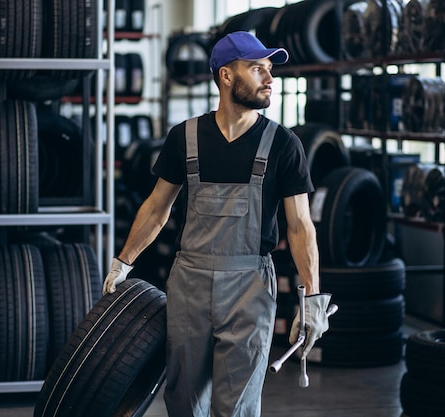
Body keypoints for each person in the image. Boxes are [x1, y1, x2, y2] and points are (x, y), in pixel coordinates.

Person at [103, 31, 332, 417]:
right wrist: (123, 262)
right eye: (257, 69)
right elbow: (157, 207)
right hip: (188, 285)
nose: (269, 78)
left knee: (236, 406)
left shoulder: (283, 145)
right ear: (226, 75)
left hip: (250, 290)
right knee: (183, 402)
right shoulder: (185, 138)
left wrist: (311, 301)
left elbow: (299, 227)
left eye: (270, 69)